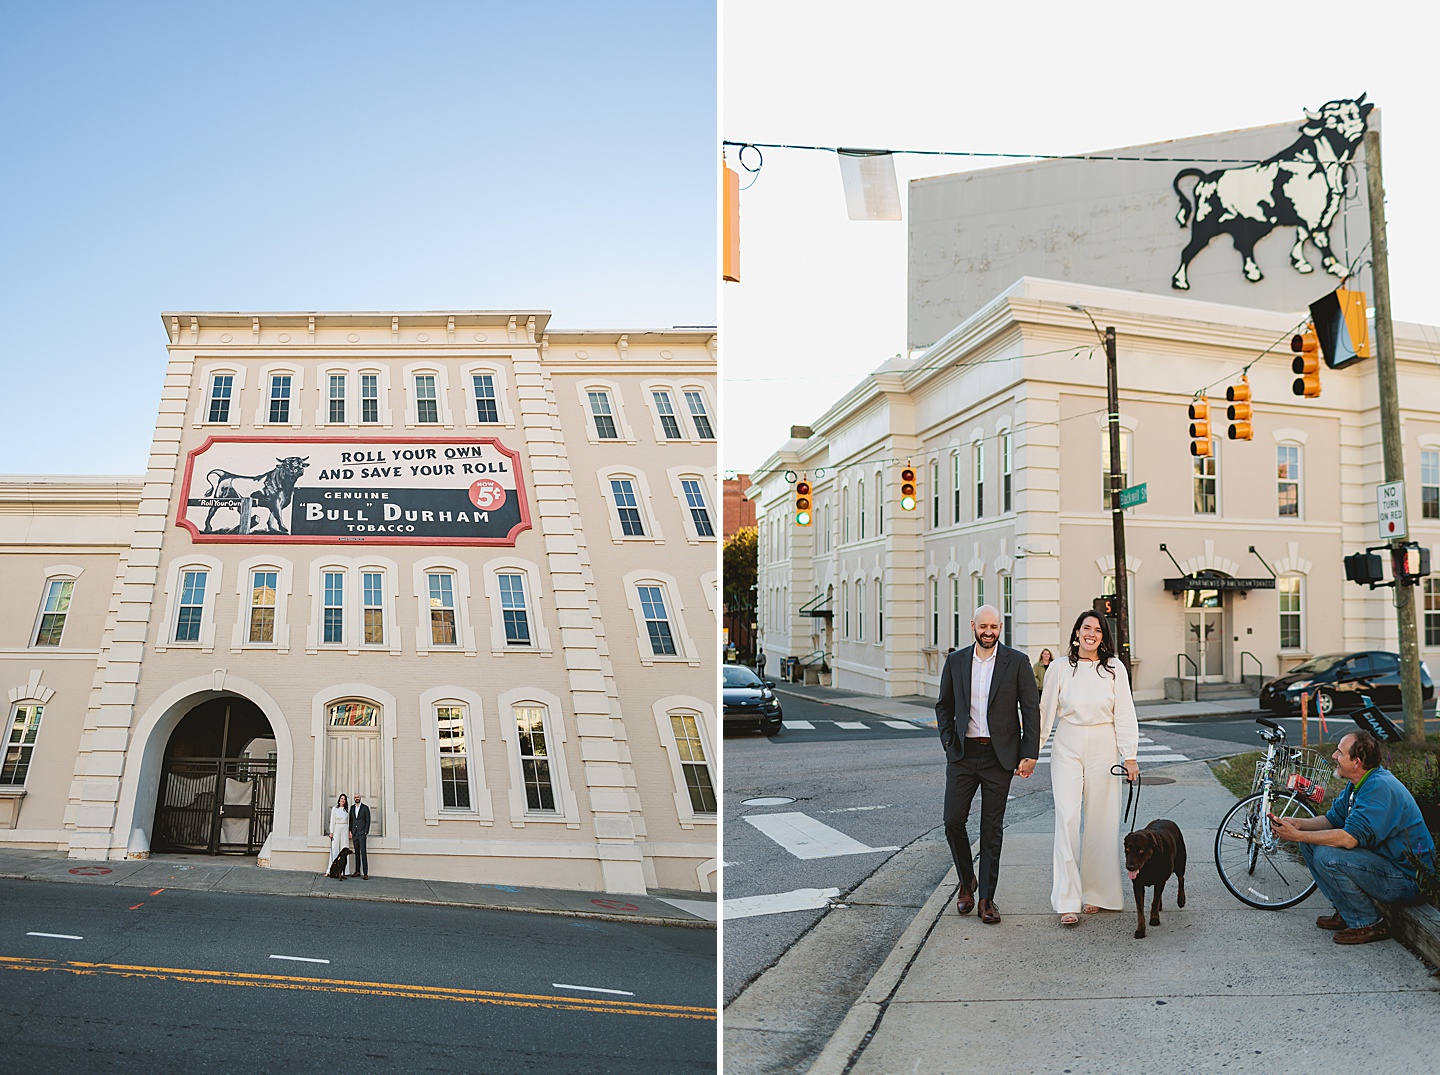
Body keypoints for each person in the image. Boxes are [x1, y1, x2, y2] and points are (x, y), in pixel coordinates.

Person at [1270, 729, 1436, 944]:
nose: (1334, 757)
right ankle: (1346, 910)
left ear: (1357, 761)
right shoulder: (1359, 783)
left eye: (1340, 753)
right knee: (1310, 843)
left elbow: (1349, 839)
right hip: (1386, 866)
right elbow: (1331, 820)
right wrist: (1299, 825)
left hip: (1409, 881)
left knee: (1327, 855)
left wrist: (1298, 836)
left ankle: (1368, 924)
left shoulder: (1379, 788)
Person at [936, 604, 1040, 925]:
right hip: (963, 755)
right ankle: (967, 883)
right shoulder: (955, 662)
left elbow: (1031, 710)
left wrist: (1029, 753)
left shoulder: (1017, 662)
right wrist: (950, 744)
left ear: (1000, 628)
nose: (989, 632)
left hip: (1000, 757)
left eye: (994, 626)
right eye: (984, 626)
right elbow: (944, 706)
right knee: (953, 821)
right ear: (973, 626)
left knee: (991, 828)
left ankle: (986, 899)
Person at [1039, 611, 1139, 927]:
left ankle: (1097, 893)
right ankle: (1068, 899)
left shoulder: (1114, 669)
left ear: (1103, 636)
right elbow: (1045, 712)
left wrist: (1130, 755)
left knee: (1102, 820)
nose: (1091, 634)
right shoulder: (1058, 668)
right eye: (1086, 628)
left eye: (1097, 630)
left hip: (1104, 743)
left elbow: (1124, 711)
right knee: (1067, 817)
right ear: (1076, 632)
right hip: (1067, 742)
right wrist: (1031, 752)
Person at [324, 793, 349, 880]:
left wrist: (349, 832)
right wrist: (331, 832)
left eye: (344, 799)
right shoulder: (335, 809)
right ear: (339, 800)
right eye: (341, 798)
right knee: (334, 849)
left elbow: (349, 822)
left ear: (345, 801)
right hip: (337, 828)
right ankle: (329, 870)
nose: (342, 800)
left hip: (345, 828)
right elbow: (332, 821)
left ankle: (344, 871)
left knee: (344, 849)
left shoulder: (346, 810)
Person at [350, 793, 371, 879]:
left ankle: (365, 873)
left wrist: (366, 832)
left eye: (358, 797)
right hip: (354, 833)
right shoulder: (352, 808)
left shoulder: (365, 808)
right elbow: (351, 821)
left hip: (362, 834)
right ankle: (357, 871)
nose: (356, 798)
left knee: (363, 853)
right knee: (357, 853)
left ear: (360, 798)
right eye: (355, 797)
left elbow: (368, 820)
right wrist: (350, 831)